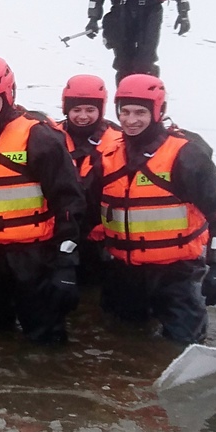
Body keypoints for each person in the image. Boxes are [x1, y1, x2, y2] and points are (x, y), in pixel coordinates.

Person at [92, 74, 216, 344]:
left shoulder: (185, 154)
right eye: (123, 112)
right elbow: (88, 207)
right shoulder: (109, 155)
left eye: (140, 112)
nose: (130, 120)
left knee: (181, 344)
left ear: (158, 111)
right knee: (121, 342)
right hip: (124, 274)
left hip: (176, 274)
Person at [0, 57, 85, 344]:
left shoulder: (38, 135)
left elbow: (68, 200)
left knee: (44, 337)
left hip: (32, 257)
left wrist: (66, 260)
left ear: (8, 95)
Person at [56, 73, 122, 285]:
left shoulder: (119, 139)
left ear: (101, 110)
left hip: (100, 238)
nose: (82, 116)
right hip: (61, 233)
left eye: (90, 110)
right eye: (76, 110)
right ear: (66, 109)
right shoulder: (50, 136)